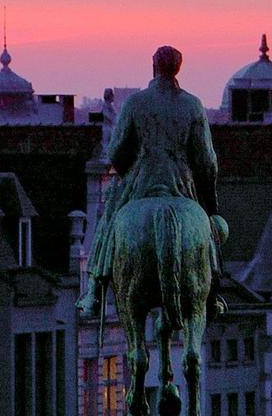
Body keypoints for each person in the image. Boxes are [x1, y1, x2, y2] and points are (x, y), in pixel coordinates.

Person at [77, 44, 226, 322]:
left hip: (141, 180)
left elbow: (116, 152)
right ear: (177, 69)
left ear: (154, 66)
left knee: (109, 221)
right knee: (207, 230)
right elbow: (207, 160)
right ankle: (214, 291)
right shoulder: (192, 105)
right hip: (181, 183)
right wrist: (211, 201)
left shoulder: (135, 103)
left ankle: (94, 289)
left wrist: (127, 170)